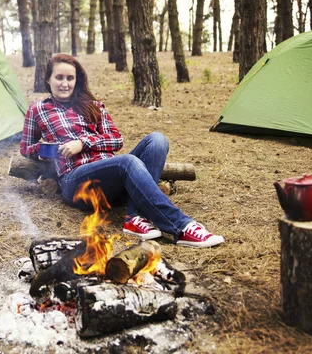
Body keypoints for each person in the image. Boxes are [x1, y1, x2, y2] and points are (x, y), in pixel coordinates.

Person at [20, 53, 224, 248]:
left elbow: (116, 140)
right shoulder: (37, 110)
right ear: (48, 79)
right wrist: (48, 149)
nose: (65, 83)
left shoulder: (93, 106)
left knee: (157, 140)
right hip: (76, 182)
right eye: (59, 77)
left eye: (70, 78)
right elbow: (26, 148)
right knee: (127, 162)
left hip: (111, 178)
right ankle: (181, 226)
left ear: (77, 80)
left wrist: (83, 143)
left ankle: (134, 218)